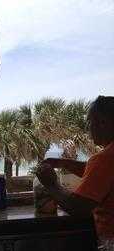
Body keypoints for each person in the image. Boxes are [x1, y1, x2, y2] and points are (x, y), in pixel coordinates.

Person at [36, 96, 114, 239]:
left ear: (102, 122)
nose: (88, 128)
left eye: (90, 122)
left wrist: (51, 184)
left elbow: (79, 208)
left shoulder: (104, 159)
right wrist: (64, 163)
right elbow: (101, 176)